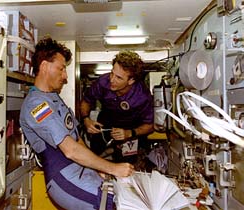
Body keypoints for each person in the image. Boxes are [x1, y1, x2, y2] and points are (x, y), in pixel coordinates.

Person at [19, 37, 134, 210]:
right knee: (117, 205)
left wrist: (97, 169)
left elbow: (77, 140)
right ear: (44, 66)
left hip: (81, 170)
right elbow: (70, 150)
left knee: (128, 198)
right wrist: (112, 168)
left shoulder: (54, 99)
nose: (65, 76)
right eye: (61, 69)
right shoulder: (36, 105)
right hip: (64, 178)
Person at [80, 50, 154, 165]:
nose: (112, 80)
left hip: (131, 127)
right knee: (94, 157)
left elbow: (149, 126)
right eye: (112, 73)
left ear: (131, 80)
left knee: (127, 164)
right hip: (106, 122)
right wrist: (86, 119)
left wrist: (130, 133)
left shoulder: (142, 96)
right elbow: (86, 101)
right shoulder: (103, 82)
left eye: (119, 78)